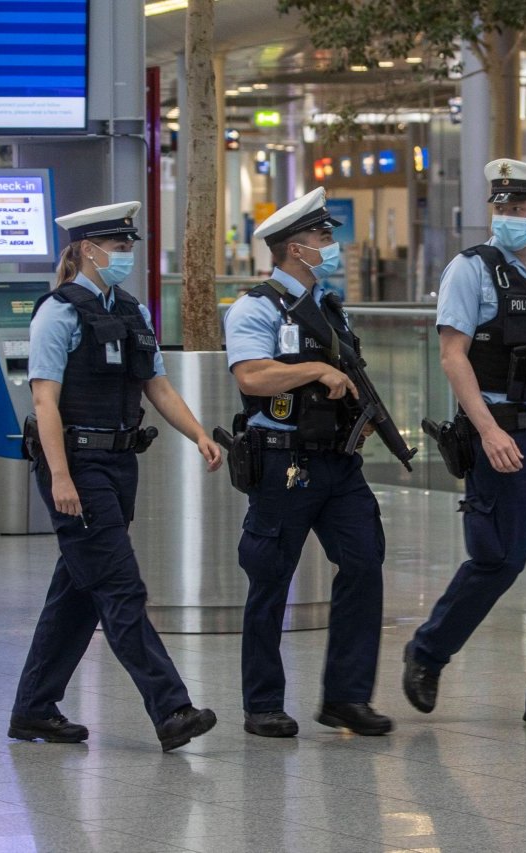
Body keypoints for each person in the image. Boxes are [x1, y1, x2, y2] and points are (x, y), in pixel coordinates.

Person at [401, 159, 526, 726]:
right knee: (498, 560)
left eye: (518, 208)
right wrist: (488, 430)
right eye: (501, 207)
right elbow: (452, 356)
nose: (507, 218)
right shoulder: (470, 271)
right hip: (501, 436)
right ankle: (427, 651)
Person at [8, 201, 221, 752]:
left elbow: (158, 387)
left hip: (119, 464)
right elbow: (44, 401)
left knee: (80, 591)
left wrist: (198, 434)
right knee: (121, 588)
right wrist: (60, 478)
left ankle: (34, 708)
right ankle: (171, 707)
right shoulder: (57, 312)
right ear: (86, 250)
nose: (126, 256)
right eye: (118, 247)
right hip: (77, 467)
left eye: (129, 247)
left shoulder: (130, 311)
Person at [223, 187, 392, 738]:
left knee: (365, 564)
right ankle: (263, 703)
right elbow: (250, 375)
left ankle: (346, 697)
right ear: (296, 248)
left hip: (338, 465)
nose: (331, 245)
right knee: (270, 579)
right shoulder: (255, 306)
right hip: (284, 463)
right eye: (323, 237)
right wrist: (315, 372)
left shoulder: (328, 307)